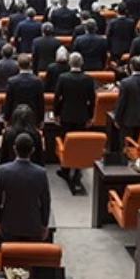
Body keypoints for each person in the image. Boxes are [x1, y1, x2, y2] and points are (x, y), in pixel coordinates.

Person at [0, 134, 51, 242]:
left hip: (9, 223)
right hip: (33, 224)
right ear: (32, 150)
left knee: (10, 256)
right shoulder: (41, 173)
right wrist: (45, 223)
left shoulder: (3, 170)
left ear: (14, 149)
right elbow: (45, 201)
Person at [53, 53, 95, 192]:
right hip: (82, 115)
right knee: (80, 143)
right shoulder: (88, 79)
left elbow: (57, 98)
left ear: (70, 64)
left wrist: (56, 113)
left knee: (66, 141)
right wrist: (90, 116)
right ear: (81, 63)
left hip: (66, 115)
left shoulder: (63, 78)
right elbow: (92, 100)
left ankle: (65, 169)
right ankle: (77, 169)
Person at [112, 56, 140, 145]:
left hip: (127, 121)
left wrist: (117, 119)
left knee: (127, 148)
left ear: (131, 67)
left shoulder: (125, 83)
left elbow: (121, 103)